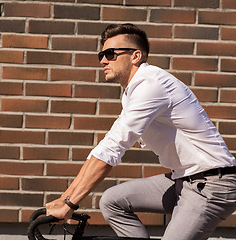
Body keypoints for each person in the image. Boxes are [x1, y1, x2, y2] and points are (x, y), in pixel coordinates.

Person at [46, 23, 236, 240]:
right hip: (183, 180)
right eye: (101, 54)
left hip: (211, 185)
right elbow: (103, 148)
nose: (103, 60)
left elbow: (113, 149)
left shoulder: (151, 85)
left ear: (135, 56)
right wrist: (65, 198)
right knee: (112, 201)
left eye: (110, 54)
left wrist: (70, 203)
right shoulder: (132, 92)